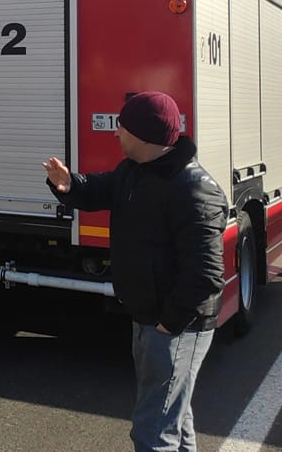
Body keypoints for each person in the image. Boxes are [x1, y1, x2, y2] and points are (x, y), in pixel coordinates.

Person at [42, 91, 225, 452]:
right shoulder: (136, 170)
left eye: (122, 127)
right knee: (173, 414)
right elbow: (99, 189)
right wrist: (68, 184)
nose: (116, 133)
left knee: (153, 431)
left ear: (143, 135)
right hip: (148, 316)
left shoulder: (193, 189)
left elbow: (206, 272)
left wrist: (169, 323)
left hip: (177, 327)